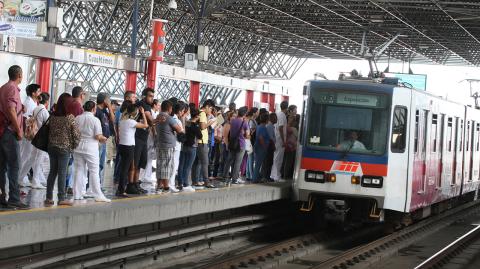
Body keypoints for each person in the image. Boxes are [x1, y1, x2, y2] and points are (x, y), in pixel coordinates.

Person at [0, 65, 30, 209]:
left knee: (2, 166)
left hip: (2, 131)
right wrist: (18, 130)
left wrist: (20, 107)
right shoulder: (12, 88)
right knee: (14, 165)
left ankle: (2, 196)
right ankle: (14, 198)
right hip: (10, 131)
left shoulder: (3, 87)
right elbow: (11, 110)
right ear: (19, 75)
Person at [45, 93, 80, 207]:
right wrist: (73, 146)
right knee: (62, 173)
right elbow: (76, 135)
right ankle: (61, 198)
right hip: (64, 148)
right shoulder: (69, 117)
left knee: (52, 172)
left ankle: (49, 198)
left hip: (51, 147)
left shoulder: (53, 116)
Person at [73, 101, 110, 202]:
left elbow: (74, 133)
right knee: (94, 171)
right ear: (93, 109)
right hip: (91, 148)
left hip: (78, 147)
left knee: (79, 170)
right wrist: (104, 138)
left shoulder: (77, 118)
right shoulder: (95, 120)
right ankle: (98, 195)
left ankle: (77, 194)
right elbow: (98, 136)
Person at [117, 101, 148, 197]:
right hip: (129, 147)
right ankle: (121, 190)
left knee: (125, 167)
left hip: (121, 146)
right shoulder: (131, 122)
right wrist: (143, 113)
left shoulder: (122, 121)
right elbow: (146, 125)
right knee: (125, 169)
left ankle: (122, 188)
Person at [130, 88, 155, 194]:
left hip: (144, 138)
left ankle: (136, 184)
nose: (152, 98)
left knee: (141, 162)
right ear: (144, 96)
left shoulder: (148, 105)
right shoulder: (141, 104)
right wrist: (157, 121)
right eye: (150, 96)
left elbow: (150, 122)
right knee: (135, 163)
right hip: (137, 137)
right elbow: (150, 120)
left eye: (153, 96)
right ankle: (131, 185)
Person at [155, 100, 184, 193]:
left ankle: (159, 185)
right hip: (167, 145)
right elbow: (179, 130)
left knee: (160, 165)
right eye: (171, 108)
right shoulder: (168, 118)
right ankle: (166, 187)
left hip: (160, 143)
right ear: (169, 108)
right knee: (166, 166)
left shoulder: (158, 116)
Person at [18, 83, 42, 188]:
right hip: (28, 133)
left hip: (29, 132)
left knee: (26, 155)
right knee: (25, 155)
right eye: (38, 91)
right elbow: (27, 119)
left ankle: (22, 177)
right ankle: (20, 177)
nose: (40, 93)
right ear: (33, 93)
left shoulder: (32, 102)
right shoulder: (29, 103)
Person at [113, 92, 137, 185]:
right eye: (133, 97)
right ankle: (119, 178)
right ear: (127, 98)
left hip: (124, 138)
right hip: (123, 139)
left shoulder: (126, 109)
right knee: (122, 161)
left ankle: (119, 178)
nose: (135, 99)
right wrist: (117, 135)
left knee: (121, 160)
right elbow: (116, 123)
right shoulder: (122, 109)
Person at [223, 106, 250, 184]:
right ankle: (234, 179)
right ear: (244, 114)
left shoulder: (233, 121)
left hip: (232, 143)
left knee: (229, 160)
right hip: (241, 144)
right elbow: (247, 135)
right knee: (238, 162)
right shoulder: (244, 123)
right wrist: (245, 133)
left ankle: (225, 176)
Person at [193, 99, 216, 188]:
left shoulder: (200, 112)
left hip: (199, 141)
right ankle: (207, 182)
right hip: (202, 142)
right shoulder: (202, 113)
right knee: (205, 163)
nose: (210, 110)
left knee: (197, 163)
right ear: (206, 106)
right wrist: (210, 122)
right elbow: (202, 127)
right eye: (210, 108)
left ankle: (195, 181)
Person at [178, 108, 202, 192]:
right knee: (188, 166)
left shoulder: (187, 122)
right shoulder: (195, 126)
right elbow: (200, 136)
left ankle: (180, 182)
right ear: (197, 116)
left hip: (184, 145)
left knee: (183, 165)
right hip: (192, 147)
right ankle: (186, 184)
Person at [31, 92, 51, 189]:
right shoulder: (44, 111)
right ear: (47, 101)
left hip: (35, 136)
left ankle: (38, 179)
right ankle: (35, 181)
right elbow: (48, 125)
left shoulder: (36, 108)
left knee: (35, 158)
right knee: (38, 160)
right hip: (41, 138)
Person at [95, 93, 114, 187]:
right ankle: (95, 185)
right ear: (104, 100)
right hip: (98, 141)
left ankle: (98, 184)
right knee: (97, 163)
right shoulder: (96, 110)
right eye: (108, 100)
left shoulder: (105, 111)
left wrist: (109, 108)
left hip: (104, 140)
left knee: (101, 164)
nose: (110, 102)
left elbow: (113, 120)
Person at [140, 99, 160, 184]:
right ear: (154, 105)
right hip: (150, 136)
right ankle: (144, 176)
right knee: (148, 156)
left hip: (152, 136)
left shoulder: (155, 113)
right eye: (158, 105)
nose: (159, 106)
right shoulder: (150, 113)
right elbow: (152, 124)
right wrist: (155, 133)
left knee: (150, 157)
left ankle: (147, 175)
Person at [168, 101, 187, 192]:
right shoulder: (177, 120)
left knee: (170, 165)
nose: (183, 113)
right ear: (180, 111)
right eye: (183, 111)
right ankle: (171, 184)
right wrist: (182, 120)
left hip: (171, 144)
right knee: (174, 165)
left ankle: (169, 183)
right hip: (176, 145)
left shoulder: (171, 118)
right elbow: (182, 134)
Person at [270, 101, 288, 181]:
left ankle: (273, 175)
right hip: (280, 139)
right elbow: (281, 128)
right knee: (278, 158)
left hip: (276, 138)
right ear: (286, 108)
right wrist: (284, 140)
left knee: (276, 157)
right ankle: (277, 176)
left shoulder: (278, 113)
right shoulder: (282, 115)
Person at [252, 113, 270, 182]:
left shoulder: (259, 126)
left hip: (258, 147)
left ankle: (256, 177)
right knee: (258, 164)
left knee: (257, 163)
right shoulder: (263, 127)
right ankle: (255, 179)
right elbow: (261, 138)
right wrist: (265, 146)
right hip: (261, 148)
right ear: (266, 120)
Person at [262, 113, 277, 180]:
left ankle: (266, 176)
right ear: (272, 118)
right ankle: (266, 176)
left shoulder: (271, 126)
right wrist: (273, 146)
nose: (276, 119)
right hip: (269, 146)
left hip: (269, 146)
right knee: (268, 162)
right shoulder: (270, 126)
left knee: (268, 162)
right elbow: (270, 138)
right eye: (275, 118)